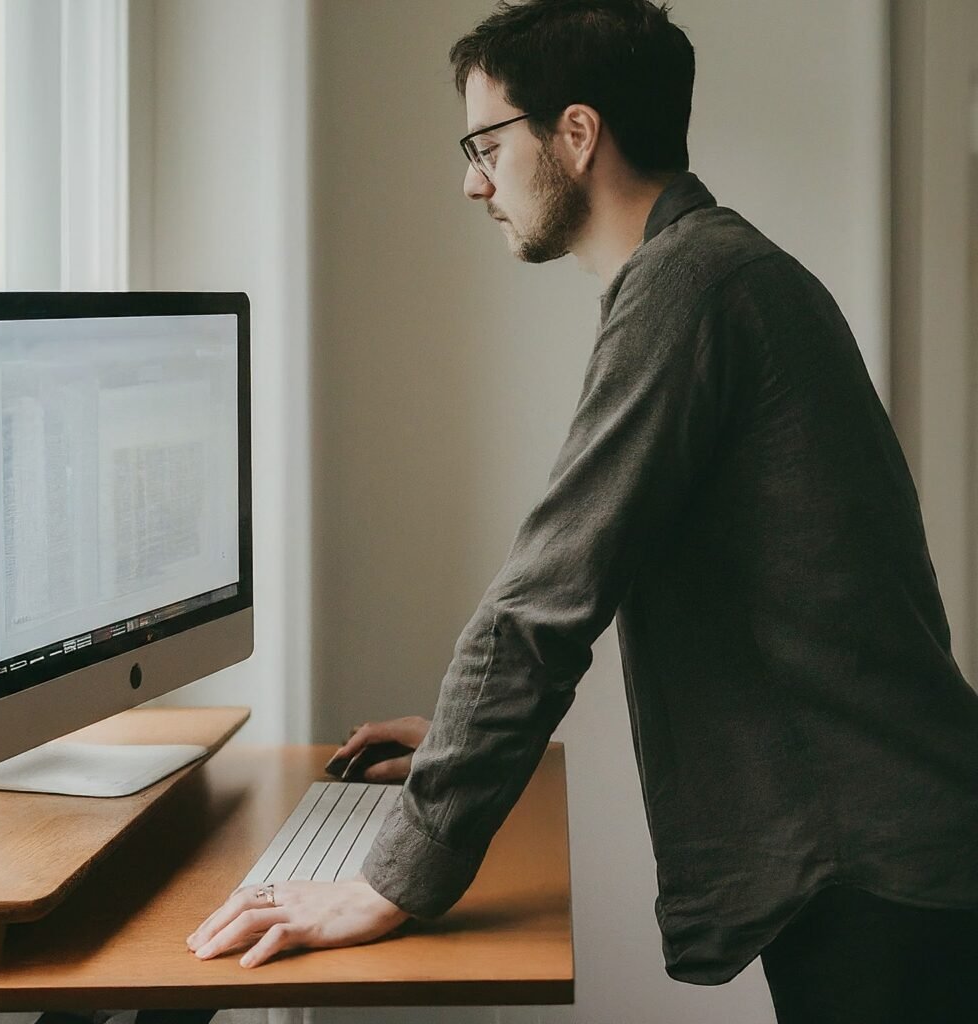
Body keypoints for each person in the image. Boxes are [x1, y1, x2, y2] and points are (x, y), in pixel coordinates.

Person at [187, 2, 978, 1020]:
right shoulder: (713, 273)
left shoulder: (689, 289)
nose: (472, 180)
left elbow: (544, 601)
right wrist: (457, 742)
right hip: (898, 846)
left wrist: (392, 877)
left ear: (575, 132)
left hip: (878, 878)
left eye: (486, 143)